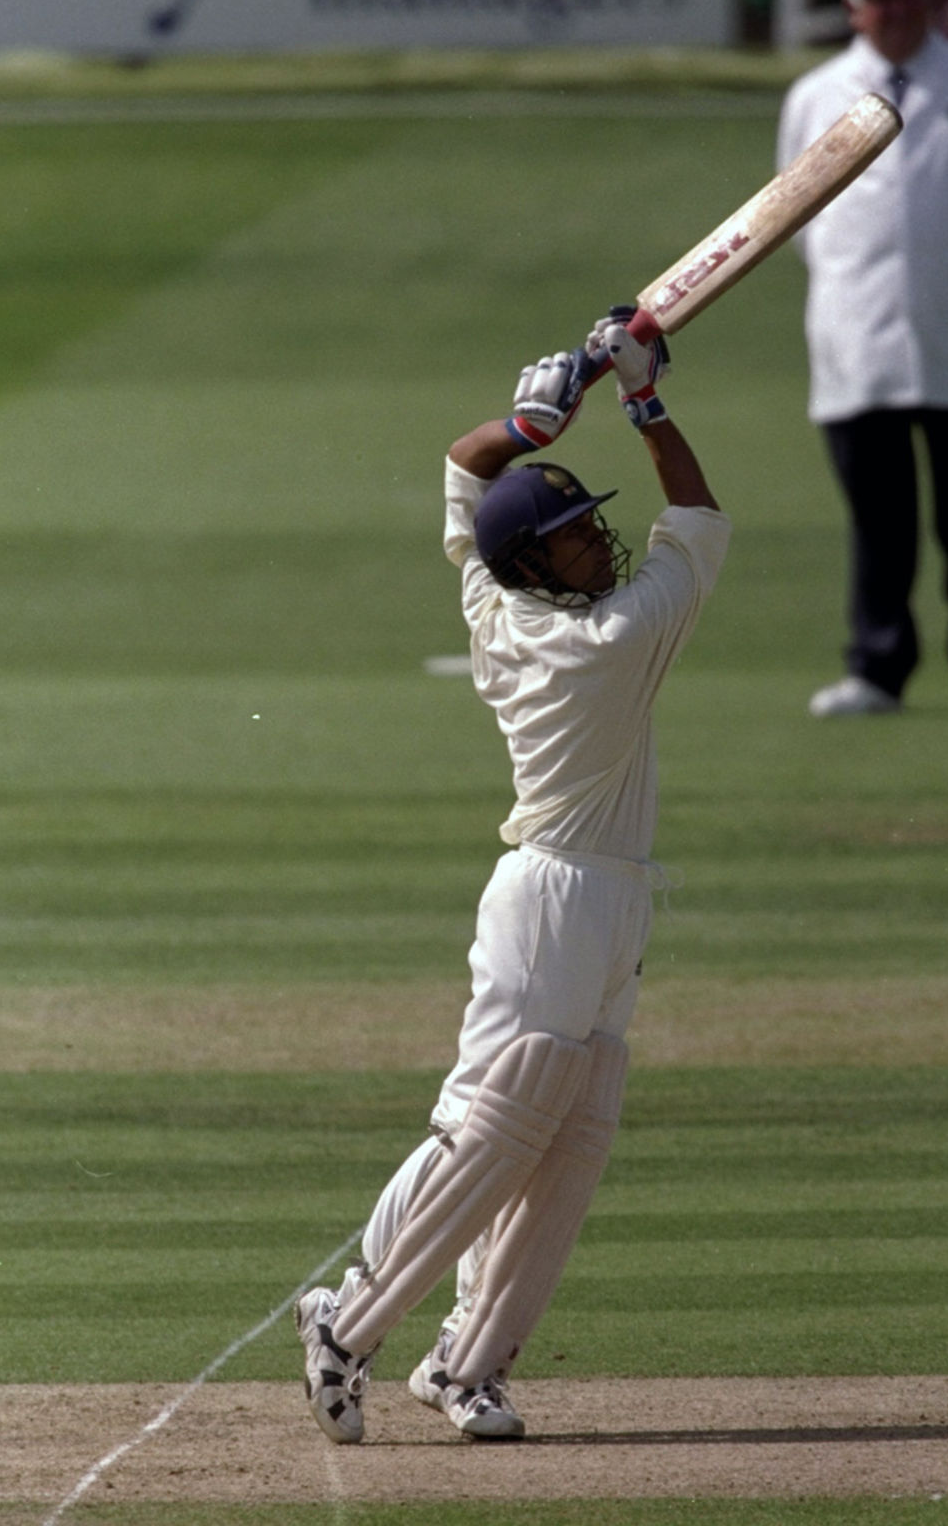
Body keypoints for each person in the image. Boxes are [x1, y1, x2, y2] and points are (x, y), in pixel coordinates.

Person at [293, 309, 730, 1444]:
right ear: (536, 559)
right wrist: (641, 402)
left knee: (573, 1127)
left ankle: (465, 1363)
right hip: (551, 895)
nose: (599, 541)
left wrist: (536, 414)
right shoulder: (607, 645)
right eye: (577, 532)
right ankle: (345, 1317)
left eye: (591, 524)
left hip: (610, 891)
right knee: (496, 1118)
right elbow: (697, 518)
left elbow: (463, 470)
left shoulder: (490, 593)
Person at [777, 0, 948, 721]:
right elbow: (790, 213)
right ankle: (878, 668)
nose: (896, 10)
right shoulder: (818, 95)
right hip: (860, 333)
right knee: (879, 517)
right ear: (853, 8)